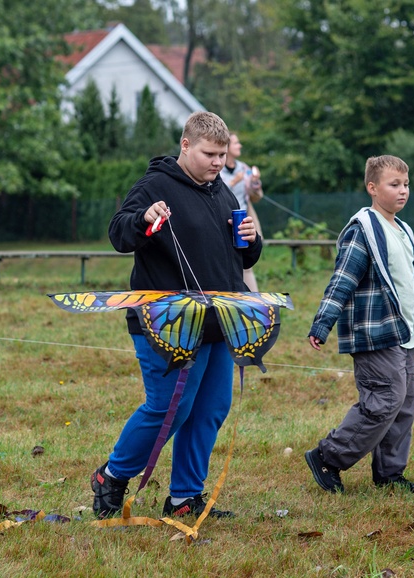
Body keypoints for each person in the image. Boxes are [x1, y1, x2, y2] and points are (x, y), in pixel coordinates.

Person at [92, 112, 262, 520]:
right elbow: (119, 232)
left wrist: (251, 242)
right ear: (186, 146)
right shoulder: (155, 185)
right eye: (209, 154)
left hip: (218, 323)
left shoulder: (221, 192)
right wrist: (143, 219)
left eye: (223, 155)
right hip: (166, 322)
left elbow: (239, 258)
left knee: (211, 408)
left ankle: (185, 497)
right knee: (171, 407)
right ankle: (112, 476)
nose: (218, 162)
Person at [304, 155, 414, 495]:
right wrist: (322, 324)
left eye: (406, 184)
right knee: (384, 400)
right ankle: (327, 456)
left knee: (404, 403)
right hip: (373, 333)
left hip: (402, 333)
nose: (403, 191)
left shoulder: (404, 230)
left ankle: (390, 474)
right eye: (394, 185)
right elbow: (342, 281)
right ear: (372, 187)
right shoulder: (362, 229)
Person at [220, 133, 263, 291]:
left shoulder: (244, 168)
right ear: (227, 147)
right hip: (224, 220)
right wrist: (233, 182)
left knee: (246, 264)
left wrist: (255, 182)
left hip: (242, 220)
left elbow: (256, 196)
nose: (240, 146)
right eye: (236, 143)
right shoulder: (216, 167)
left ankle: (253, 300)